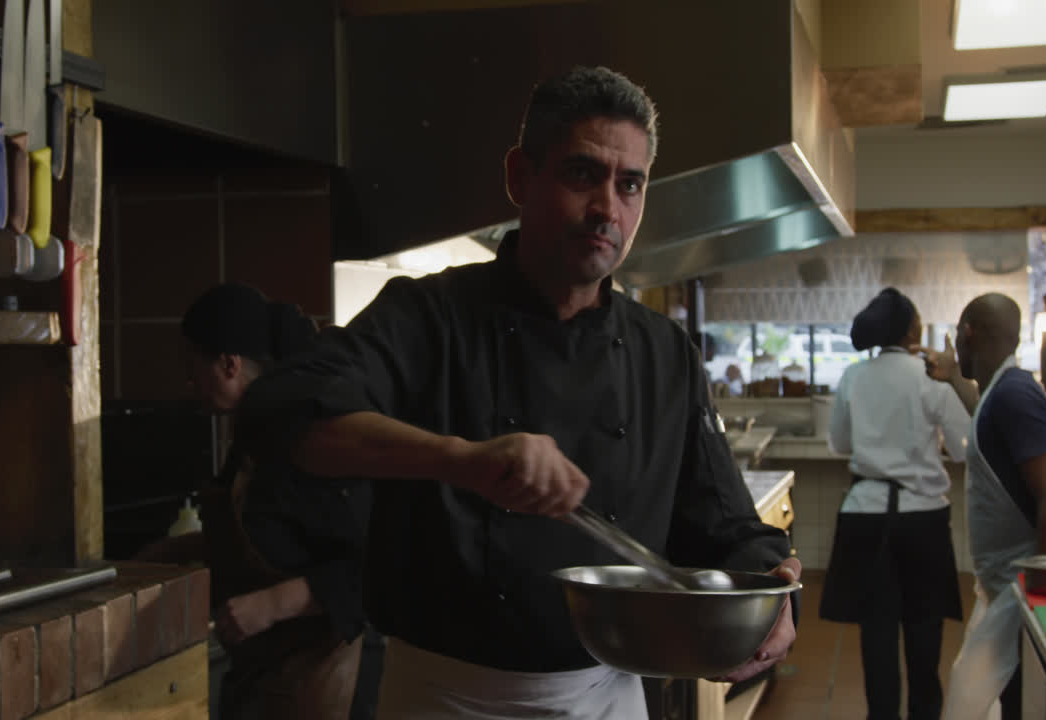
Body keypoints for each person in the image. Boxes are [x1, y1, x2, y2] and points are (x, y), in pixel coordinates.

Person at [234, 65, 801, 719]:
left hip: (606, 698)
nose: (607, 209)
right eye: (582, 174)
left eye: (630, 185)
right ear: (520, 176)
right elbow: (283, 409)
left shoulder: (664, 354)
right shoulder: (427, 318)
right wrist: (461, 460)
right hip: (443, 699)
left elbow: (726, 527)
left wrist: (772, 590)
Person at [140, 283, 373, 719]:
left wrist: (271, 605)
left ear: (229, 364)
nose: (189, 380)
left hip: (320, 681)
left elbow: (370, 568)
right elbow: (255, 540)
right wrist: (158, 559)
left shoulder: (308, 436)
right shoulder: (251, 438)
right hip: (263, 676)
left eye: (194, 364)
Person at [912, 293, 1046, 720]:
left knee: (1015, 701)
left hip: (1026, 588)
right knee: (993, 697)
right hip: (1007, 587)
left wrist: (1045, 608)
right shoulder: (1000, 394)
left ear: (968, 333)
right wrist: (951, 376)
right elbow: (985, 420)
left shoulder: (1017, 396)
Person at [821, 288, 970, 720]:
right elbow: (963, 447)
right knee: (924, 630)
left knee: (877, 633)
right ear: (910, 330)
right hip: (923, 516)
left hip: (864, 514)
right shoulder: (932, 377)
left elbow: (839, 443)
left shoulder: (853, 376)